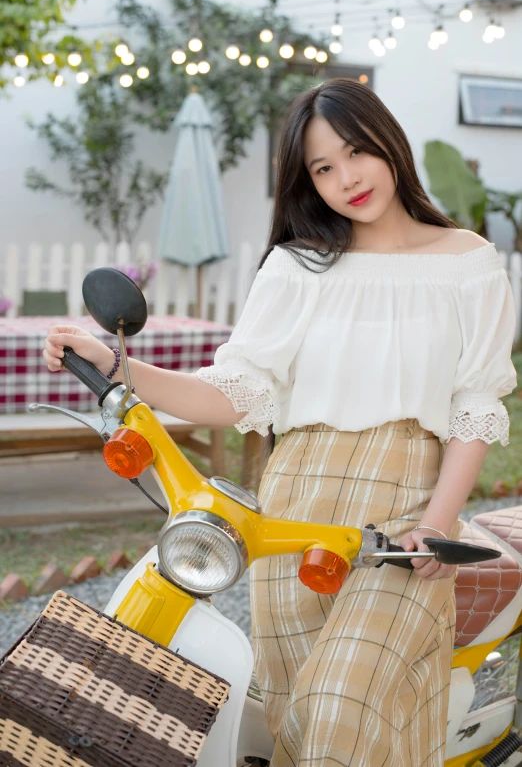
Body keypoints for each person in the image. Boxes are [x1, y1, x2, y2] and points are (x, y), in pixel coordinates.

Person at [43, 78, 518, 766]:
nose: (345, 178)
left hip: (404, 510)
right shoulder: (297, 267)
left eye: (356, 152)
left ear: (390, 144)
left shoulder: (468, 263)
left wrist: (437, 525)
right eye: (322, 167)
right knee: (290, 720)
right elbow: (235, 390)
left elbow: (475, 407)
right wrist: (120, 365)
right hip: (294, 509)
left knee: (336, 712)